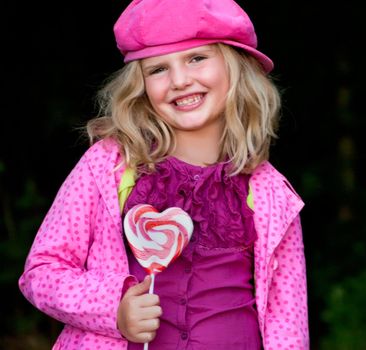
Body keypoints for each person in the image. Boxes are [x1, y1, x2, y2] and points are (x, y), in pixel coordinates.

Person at [18, 0, 309, 349]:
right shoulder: (107, 167)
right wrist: (114, 308)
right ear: (139, 86)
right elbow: (43, 270)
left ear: (236, 67)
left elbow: (288, 325)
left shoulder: (272, 195)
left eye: (197, 58)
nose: (180, 81)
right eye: (158, 69)